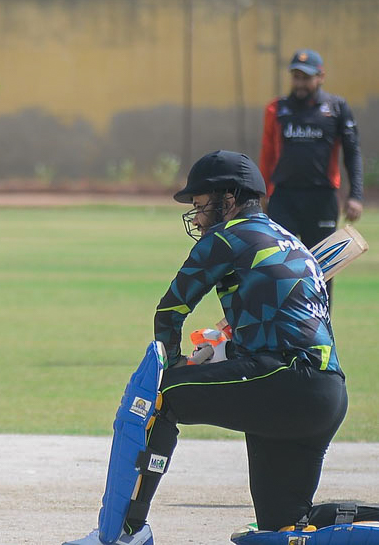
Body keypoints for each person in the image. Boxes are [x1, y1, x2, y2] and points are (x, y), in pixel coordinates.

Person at [65, 150, 347, 545]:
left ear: (228, 199)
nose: (197, 218)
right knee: (284, 527)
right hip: (325, 393)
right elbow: (286, 325)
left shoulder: (226, 237)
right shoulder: (290, 241)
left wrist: (176, 364)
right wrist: (225, 351)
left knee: (164, 396)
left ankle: (125, 532)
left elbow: (169, 313)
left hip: (283, 381)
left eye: (200, 206)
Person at [259, 49, 364, 258]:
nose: (300, 84)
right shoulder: (276, 109)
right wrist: (261, 193)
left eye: (306, 78)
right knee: (278, 263)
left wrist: (355, 196)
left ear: (320, 77)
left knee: (322, 265)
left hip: (322, 198)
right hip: (283, 197)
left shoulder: (337, 108)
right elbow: (267, 155)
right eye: (296, 77)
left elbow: (352, 153)